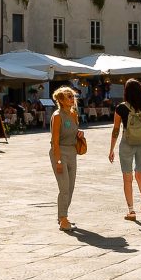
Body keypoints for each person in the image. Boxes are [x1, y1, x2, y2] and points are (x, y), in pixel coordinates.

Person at [110, 77, 141, 222]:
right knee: (140, 175)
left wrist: (111, 149)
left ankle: (131, 211)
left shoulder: (121, 108)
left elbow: (116, 130)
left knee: (127, 178)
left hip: (127, 144)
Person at [46, 84, 87, 231]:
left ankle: (62, 216)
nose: (72, 98)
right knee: (64, 188)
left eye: (72, 96)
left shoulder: (74, 114)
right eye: (69, 96)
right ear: (61, 100)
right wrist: (57, 160)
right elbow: (55, 141)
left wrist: (80, 133)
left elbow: (73, 131)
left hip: (72, 152)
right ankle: (63, 219)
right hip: (60, 152)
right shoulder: (57, 116)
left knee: (70, 188)